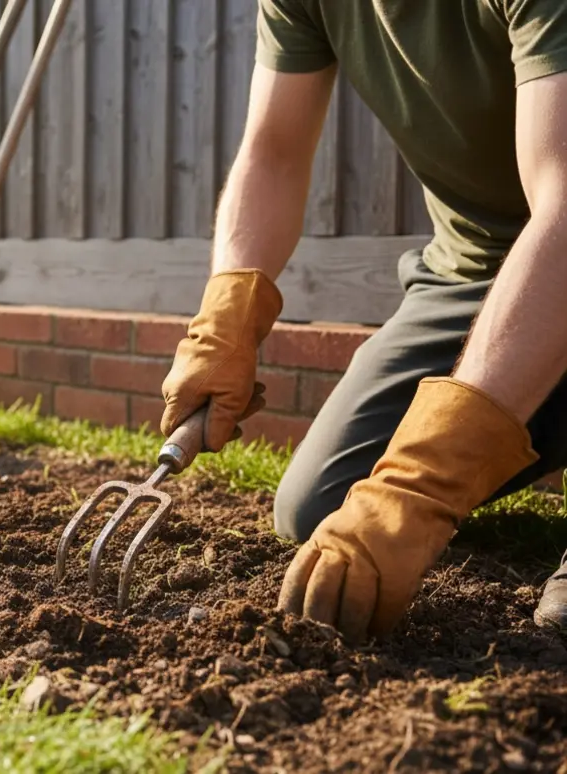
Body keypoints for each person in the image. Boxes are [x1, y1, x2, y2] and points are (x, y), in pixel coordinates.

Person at [159, 0, 567, 644]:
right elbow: (272, 155)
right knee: (319, 506)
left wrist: (424, 477)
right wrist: (226, 318)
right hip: (472, 273)